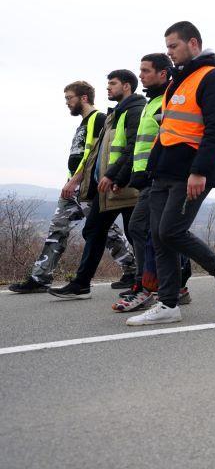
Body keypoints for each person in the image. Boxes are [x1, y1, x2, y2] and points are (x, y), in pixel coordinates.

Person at [125, 21, 215, 325]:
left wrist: (200, 170)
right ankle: (168, 304)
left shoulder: (213, 78)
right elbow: (170, 128)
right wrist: (152, 168)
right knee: (159, 238)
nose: (170, 53)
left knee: (171, 231)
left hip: (191, 171)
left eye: (173, 46)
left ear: (193, 44)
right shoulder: (179, 80)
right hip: (164, 170)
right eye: (167, 48)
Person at [8, 82, 136, 293]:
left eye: (70, 98)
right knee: (57, 229)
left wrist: (76, 180)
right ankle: (40, 278)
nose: (67, 103)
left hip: (86, 187)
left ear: (84, 98)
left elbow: (95, 156)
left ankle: (131, 269)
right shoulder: (83, 123)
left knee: (106, 231)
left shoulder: (99, 119)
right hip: (73, 186)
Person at [49, 70, 146, 298]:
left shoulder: (134, 111)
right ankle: (82, 284)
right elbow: (98, 153)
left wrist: (116, 176)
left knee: (138, 234)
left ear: (127, 86)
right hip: (109, 188)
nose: (108, 88)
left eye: (113, 83)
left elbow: (133, 148)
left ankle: (152, 281)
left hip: (125, 187)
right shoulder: (115, 114)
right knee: (95, 230)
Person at [114, 54, 172, 312]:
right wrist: (126, 176)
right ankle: (173, 285)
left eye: (146, 71)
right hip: (144, 178)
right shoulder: (151, 103)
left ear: (162, 74)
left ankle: (146, 285)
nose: (141, 76)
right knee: (155, 231)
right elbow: (139, 146)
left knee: (144, 229)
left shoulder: (164, 102)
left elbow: (165, 141)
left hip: (157, 176)